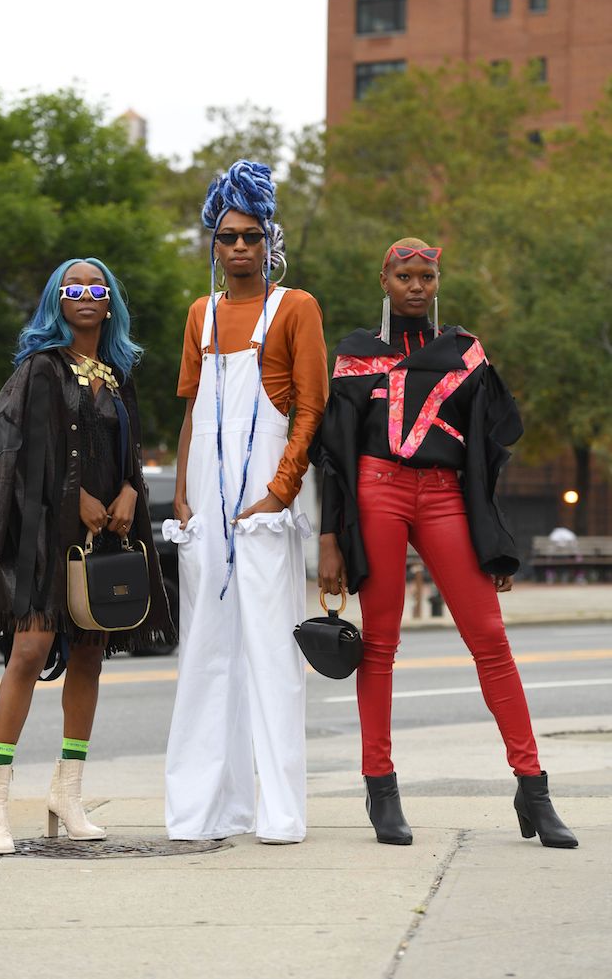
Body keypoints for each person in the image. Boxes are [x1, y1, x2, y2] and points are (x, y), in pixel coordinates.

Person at [310, 238, 577, 849]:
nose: (416, 287)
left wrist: (495, 540)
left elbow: (489, 451)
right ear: (385, 279)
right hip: (376, 489)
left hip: (445, 495)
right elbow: (335, 456)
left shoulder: (465, 351)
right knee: (379, 643)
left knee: (490, 637)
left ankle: (533, 786)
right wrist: (330, 539)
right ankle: (380, 787)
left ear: (437, 281)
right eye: (404, 276)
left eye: (426, 277)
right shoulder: (354, 354)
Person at [0, 257, 175, 854]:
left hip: (103, 537)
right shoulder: (38, 370)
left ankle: (68, 791)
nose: (85, 296)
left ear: (110, 301)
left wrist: (130, 491)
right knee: (29, 651)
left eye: (97, 288)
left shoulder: (117, 374)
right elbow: (10, 453)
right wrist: (77, 498)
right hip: (43, 536)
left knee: (90, 653)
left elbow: (130, 450)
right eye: (73, 288)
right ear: (57, 302)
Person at [163, 160, 328, 843]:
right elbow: (192, 414)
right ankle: (206, 808)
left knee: (268, 652)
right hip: (204, 506)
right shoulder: (199, 315)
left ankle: (280, 812)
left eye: (251, 236)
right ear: (213, 242)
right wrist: (179, 496)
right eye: (227, 236)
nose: (238, 247)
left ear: (270, 242)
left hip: (265, 502)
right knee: (204, 654)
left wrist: (279, 493)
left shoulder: (296, 307)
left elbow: (312, 406)